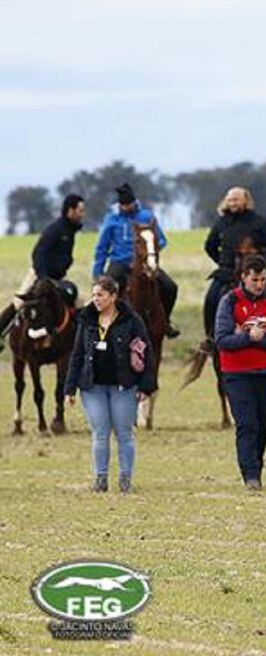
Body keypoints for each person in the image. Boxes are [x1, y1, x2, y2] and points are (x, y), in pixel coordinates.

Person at [63, 276, 157, 493]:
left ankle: (125, 478)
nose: (96, 299)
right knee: (100, 432)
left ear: (113, 297)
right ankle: (100, 478)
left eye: (101, 295)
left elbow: (147, 352)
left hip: (123, 386)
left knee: (124, 432)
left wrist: (145, 386)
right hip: (92, 387)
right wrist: (69, 389)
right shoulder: (86, 320)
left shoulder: (132, 321)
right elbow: (77, 355)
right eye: (94, 295)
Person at [214, 255, 266, 491]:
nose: (260, 284)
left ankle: (258, 465)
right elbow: (223, 339)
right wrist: (248, 336)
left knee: (264, 422)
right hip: (236, 373)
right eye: (255, 279)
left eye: (263, 279)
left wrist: (251, 336)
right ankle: (250, 475)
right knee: (247, 424)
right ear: (244, 277)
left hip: (264, 372)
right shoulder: (229, 301)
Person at [92, 183, 180, 338]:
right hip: (120, 262)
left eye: (129, 204)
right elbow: (102, 247)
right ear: (120, 205)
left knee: (170, 287)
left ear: (135, 201)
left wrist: (150, 253)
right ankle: (102, 327)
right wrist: (97, 272)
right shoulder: (111, 220)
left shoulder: (146, 216)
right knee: (105, 291)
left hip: (145, 263)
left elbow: (161, 240)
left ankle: (165, 321)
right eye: (124, 205)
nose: (127, 207)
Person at [0, 194, 85, 347]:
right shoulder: (55, 229)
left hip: (57, 279)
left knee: (79, 303)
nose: (82, 214)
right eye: (80, 210)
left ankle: (80, 342)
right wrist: (42, 277)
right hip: (39, 275)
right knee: (19, 303)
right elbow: (38, 254)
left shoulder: (70, 231)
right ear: (70, 210)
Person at [203, 186, 266, 336]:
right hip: (227, 272)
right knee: (211, 299)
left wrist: (261, 264)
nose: (232, 203)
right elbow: (209, 246)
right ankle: (210, 337)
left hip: (256, 271)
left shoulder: (258, 222)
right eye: (230, 200)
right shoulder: (221, 223)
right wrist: (223, 262)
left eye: (236, 200)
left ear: (245, 201)